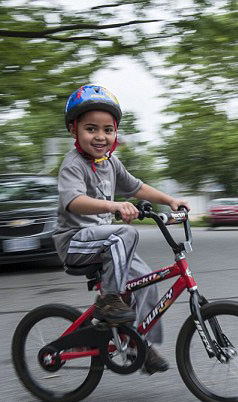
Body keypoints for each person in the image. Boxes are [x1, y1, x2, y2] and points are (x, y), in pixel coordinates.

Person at [52, 84, 189, 374]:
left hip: (104, 244)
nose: (100, 136)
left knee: (147, 282)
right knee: (125, 233)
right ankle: (108, 303)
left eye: (107, 130)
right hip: (75, 243)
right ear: (73, 130)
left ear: (115, 133)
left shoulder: (111, 163)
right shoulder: (72, 165)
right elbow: (74, 201)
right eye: (91, 129)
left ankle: (141, 346)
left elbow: (137, 187)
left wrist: (170, 201)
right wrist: (114, 207)